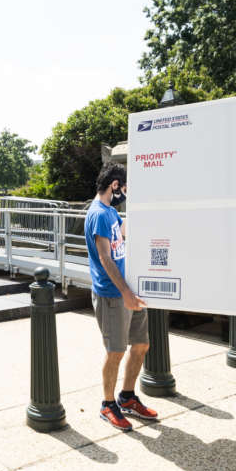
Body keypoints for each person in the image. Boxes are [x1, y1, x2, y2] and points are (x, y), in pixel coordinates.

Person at [85, 163, 157, 431]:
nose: (126, 194)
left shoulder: (112, 213)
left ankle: (127, 398)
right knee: (115, 351)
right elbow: (104, 257)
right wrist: (125, 293)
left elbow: (126, 234)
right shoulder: (98, 214)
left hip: (129, 291)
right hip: (113, 294)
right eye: (125, 189)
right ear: (115, 185)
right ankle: (107, 405)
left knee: (141, 345)